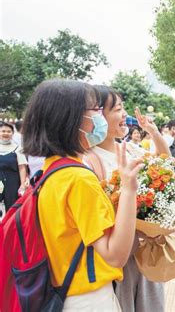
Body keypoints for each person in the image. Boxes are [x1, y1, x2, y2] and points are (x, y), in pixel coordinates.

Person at [21, 79, 142, 310]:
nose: (100, 117)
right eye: (95, 110)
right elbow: (114, 255)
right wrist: (128, 188)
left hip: (62, 292)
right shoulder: (79, 178)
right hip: (90, 298)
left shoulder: (52, 169)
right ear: (71, 118)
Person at [84, 85, 169, 312]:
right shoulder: (89, 160)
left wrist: (154, 132)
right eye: (118, 109)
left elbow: (164, 164)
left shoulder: (130, 149)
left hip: (146, 249)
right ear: (98, 116)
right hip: (117, 255)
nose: (125, 115)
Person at [0, 121, 28, 212]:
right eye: (3, 131)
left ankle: (9, 226)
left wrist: (23, 185)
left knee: (12, 209)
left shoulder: (18, 148)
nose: (6, 133)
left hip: (12, 183)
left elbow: (22, 167)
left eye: (8, 131)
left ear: (12, 133)